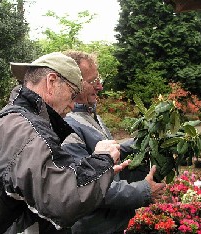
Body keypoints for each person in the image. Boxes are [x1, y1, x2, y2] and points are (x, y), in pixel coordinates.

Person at [0, 52, 127, 233]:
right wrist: (103, 159)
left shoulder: (14, 121)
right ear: (52, 82)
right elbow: (63, 201)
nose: (72, 106)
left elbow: (46, 179)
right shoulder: (25, 130)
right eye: (72, 95)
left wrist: (94, 169)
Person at [61, 51, 166, 234]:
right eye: (93, 81)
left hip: (110, 224)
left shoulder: (90, 116)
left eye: (98, 79)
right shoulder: (67, 126)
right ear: (74, 82)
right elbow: (87, 187)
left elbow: (111, 156)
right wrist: (144, 190)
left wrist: (147, 142)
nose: (100, 86)